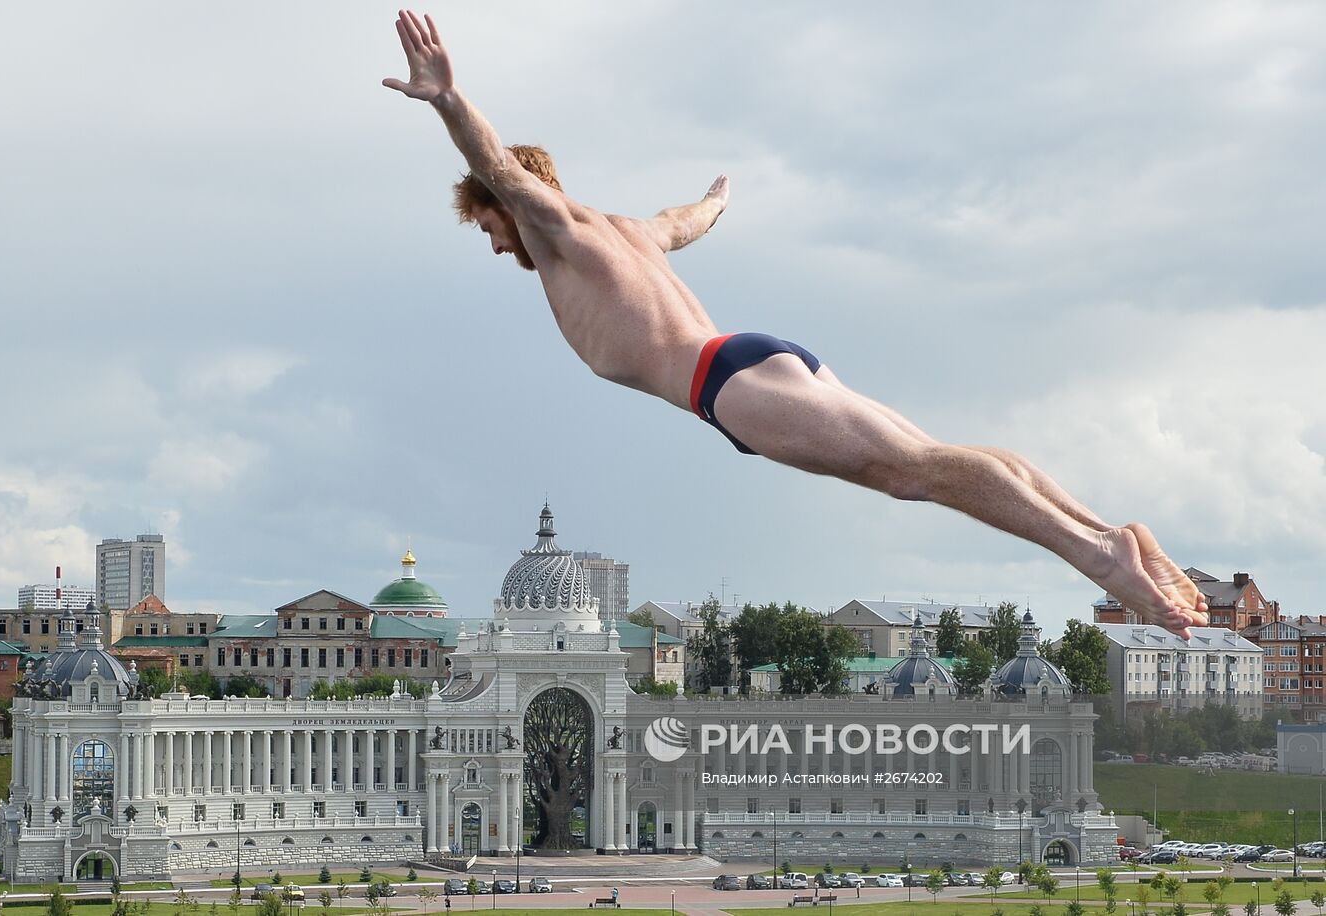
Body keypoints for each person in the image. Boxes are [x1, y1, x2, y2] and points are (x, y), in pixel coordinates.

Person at [381, 9, 1209, 635]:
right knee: (938, 458)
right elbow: (684, 220)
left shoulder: (553, 230)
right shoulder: (626, 232)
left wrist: (450, 100)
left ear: (511, 206)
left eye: (488, 225)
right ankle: (1112, 532)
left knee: (915, 472)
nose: (494, 245)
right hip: (759, 360)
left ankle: (1101, 559)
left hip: (728, 383)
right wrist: (718, 200)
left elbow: (495, 164)